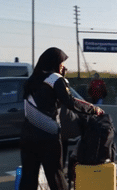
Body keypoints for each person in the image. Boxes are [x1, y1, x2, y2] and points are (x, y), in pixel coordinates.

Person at [19, 47, 104, 190]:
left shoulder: (31, 80)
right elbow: (70, 102)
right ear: (55, 63)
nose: (64, 66)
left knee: (28, 175)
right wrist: (93, 109)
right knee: (55, 174)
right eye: (62, 63)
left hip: (27, 135)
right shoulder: (55, 79)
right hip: (48, 135)